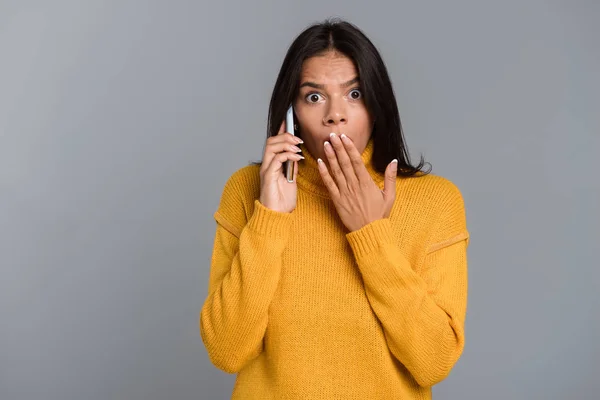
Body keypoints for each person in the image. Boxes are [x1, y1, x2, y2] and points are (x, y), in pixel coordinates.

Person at [200, 17, 470, 400]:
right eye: (314, 96)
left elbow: (433, 362)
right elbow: (227, 351)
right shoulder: (248, 191)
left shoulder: (435, 201)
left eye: (354, 94)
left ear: (378, 105)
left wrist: (371, 234)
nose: (335, 114)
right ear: (289, 113)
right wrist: (269, 219)